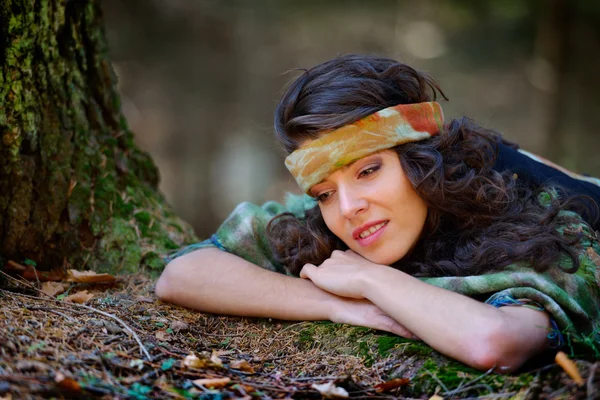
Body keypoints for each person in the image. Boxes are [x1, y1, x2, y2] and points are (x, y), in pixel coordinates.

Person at [155, 55, 600, 373]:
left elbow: (497, 343)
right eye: (325, 192)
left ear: (423, 161)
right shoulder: (332, 220)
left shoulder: (540, 219)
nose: (348, 209)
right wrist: (335, 304)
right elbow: (183, 275)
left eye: (368, 171)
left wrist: (372, 281)